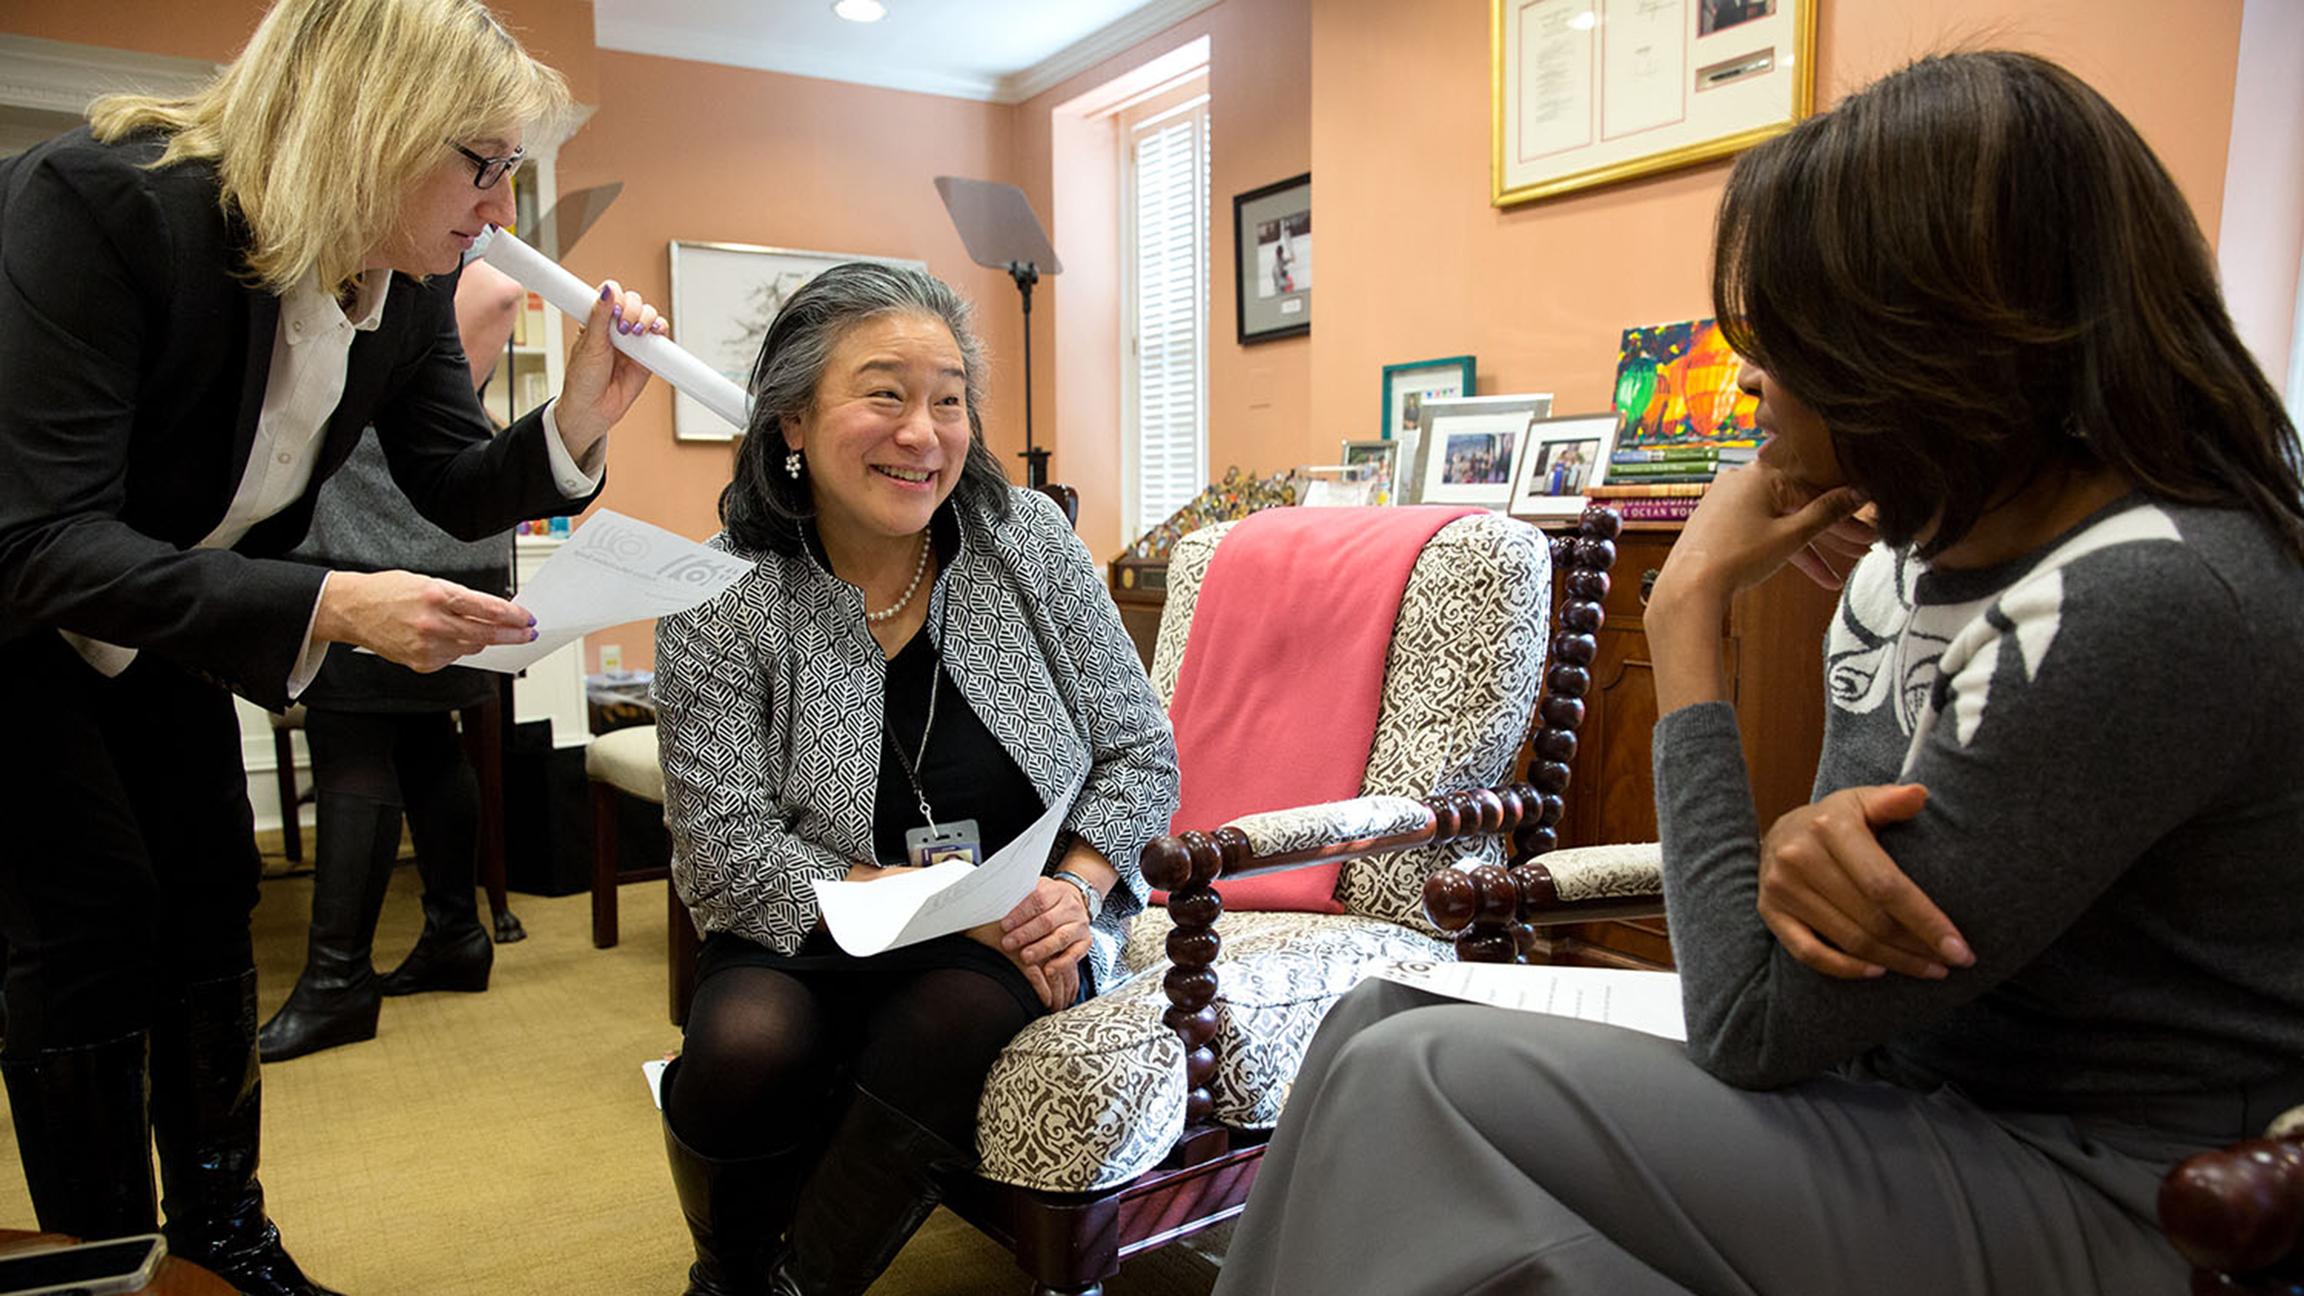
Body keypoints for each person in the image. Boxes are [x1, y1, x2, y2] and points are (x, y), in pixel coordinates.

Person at [1213, 50, 2304, 1296]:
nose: (1747, 374)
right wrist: (1793, 857)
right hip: (1901, 1100)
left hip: (2111, 1188)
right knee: (1375, 1027)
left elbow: (1751, 1021)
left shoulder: (2150, 596)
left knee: (1425, 1087)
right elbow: (1802, 942)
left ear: (1934, 339)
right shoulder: (1910, 567)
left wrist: (1686, 614)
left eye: (1789, 332)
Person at [0, 1, 668, 1290]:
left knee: (206, 902)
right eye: (483, 162)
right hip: (21, 623)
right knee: (91, 924)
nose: (502, 204)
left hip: (159, 630)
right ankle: (109, 1265)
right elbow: (39, 538)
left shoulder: (398, 286)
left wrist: (578, 418)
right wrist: (327, 605)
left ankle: (225, 1242)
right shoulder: (99, 208)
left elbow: (452, 485)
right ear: (375, 126)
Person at [652, 262, 1179, 1295]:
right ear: (793, 421)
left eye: (948, 400)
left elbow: (1137, 751)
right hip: (815, 918)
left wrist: (1075, 890)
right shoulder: (719, 594)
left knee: (952, 1019)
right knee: (744, 1041)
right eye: (885, 394)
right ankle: (731, 1270)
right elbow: (726, 856)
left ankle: (801, 1284)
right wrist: (948, 906)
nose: (923, 432)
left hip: (1021, 921)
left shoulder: (1027, 543)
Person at [256, 260, 526, 1063]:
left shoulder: (413, 269)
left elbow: (498, 293)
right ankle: (456, 932)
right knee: (427, 742)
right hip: (451, 545)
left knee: (350, 744)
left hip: (372, 538)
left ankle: (337, 981)